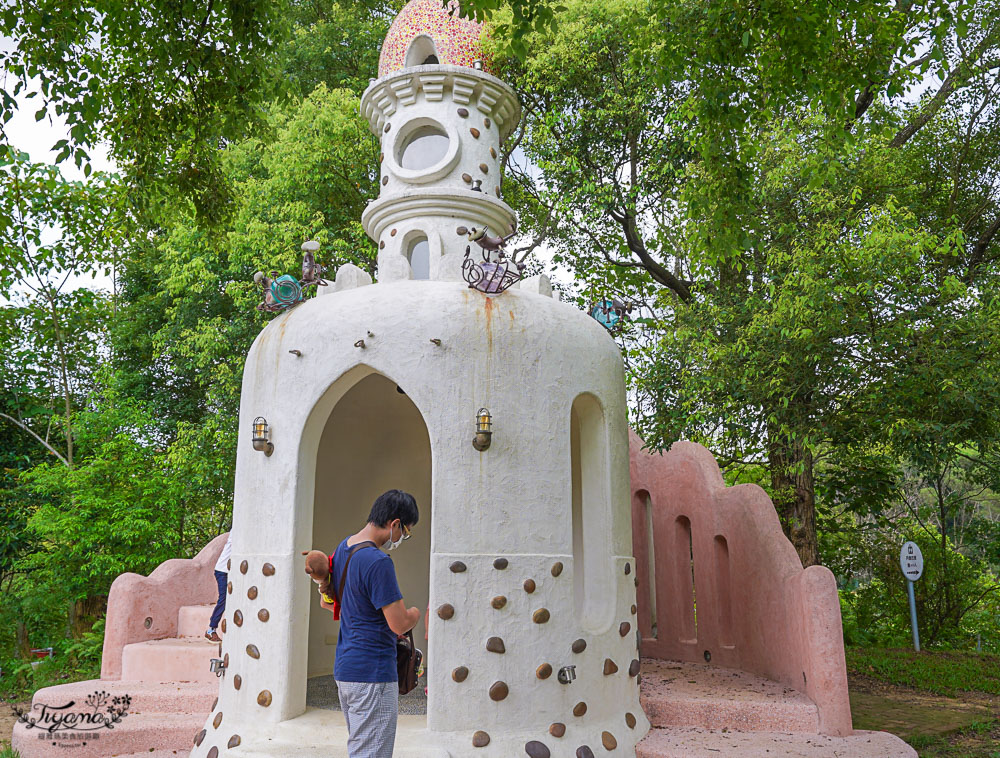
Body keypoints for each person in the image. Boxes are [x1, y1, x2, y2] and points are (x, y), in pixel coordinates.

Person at [322, 490, 420, 758]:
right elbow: (399, 624)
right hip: (373, 673)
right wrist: (415, 613)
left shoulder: (343, 549)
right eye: (405, 532)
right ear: (395, 524)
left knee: (361, 747)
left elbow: (329, 603)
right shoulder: (378, 562)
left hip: (346, 669)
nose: (401, 539)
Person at [205, 532, 232, 643]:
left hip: (229, 571)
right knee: (223, 599)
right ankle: (211, 629)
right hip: (223, 571)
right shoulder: (236, 532)